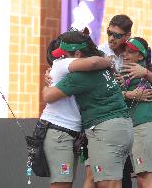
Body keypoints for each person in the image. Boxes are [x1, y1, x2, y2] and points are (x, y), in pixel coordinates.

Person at [42, 30, 134, 188]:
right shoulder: (102, 66)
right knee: (104, 181)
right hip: (120, 128)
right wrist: (109, 61)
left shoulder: (80, 76)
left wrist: (46, 87)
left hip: (105, 130)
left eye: (65, 55)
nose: (61, 59)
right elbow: (97, 61)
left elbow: (49, 96)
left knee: (107, 184)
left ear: (77, 55)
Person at [121, 37, 152, 188]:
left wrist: (145, 72)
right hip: (132, 130)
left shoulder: (143, 70)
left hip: (144, 129)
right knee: (142, 179)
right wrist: (130, 94)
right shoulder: (125, 70)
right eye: (125, 51)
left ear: (141, 56)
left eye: (131, 52)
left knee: (146, 177)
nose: (125, 54)